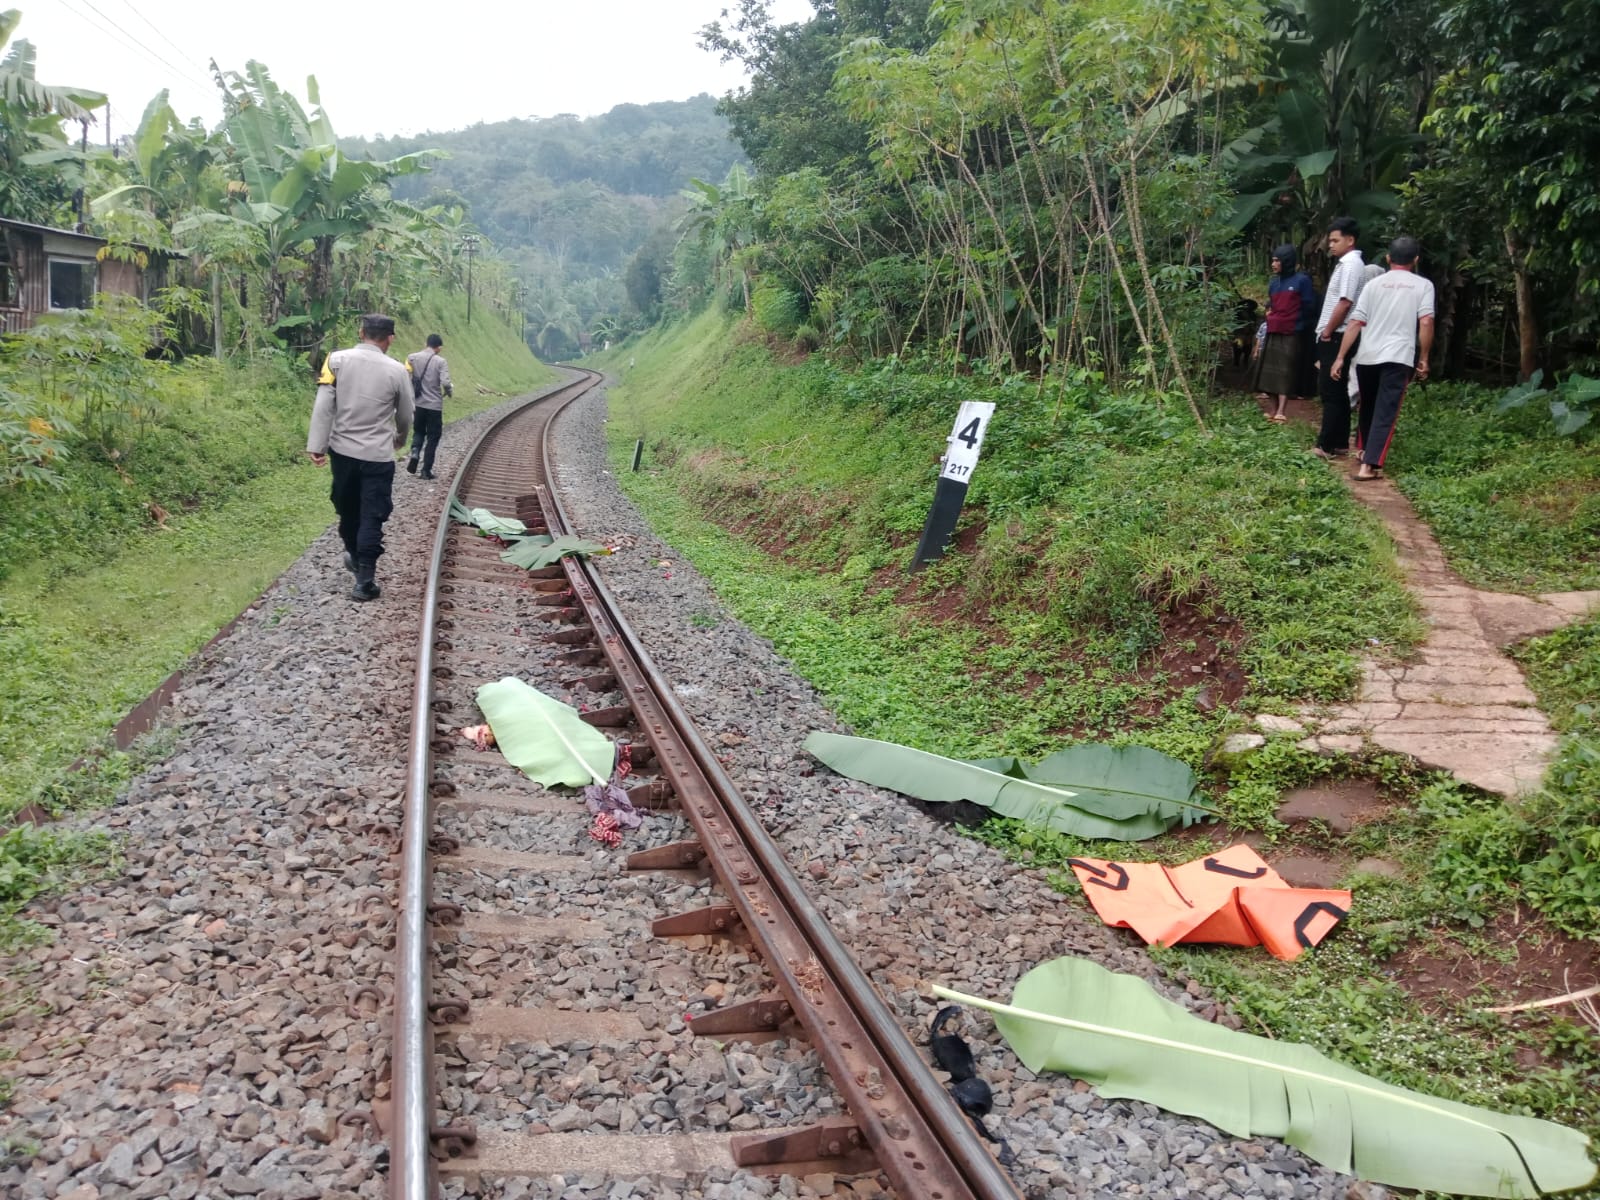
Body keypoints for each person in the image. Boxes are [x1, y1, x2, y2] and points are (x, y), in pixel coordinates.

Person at [307, 313, 414, 600]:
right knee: (372, 515)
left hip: (343, 453)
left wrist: (317, 445)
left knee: (348, 510)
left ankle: (355, 557)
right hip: (378, 456)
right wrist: (399, 440)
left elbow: (324, 405)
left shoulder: (336, 360)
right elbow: (406, 414)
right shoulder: (398, 371)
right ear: (390, 338)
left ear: (361, 332)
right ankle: (364, 580)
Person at [1331, 236, 1435, 481]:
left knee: (1368, 405)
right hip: (1398, 357)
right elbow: (1426, 321)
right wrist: (1424, 357)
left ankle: (1363, 450)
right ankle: (1368, 465)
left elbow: (1355, 322)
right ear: (1416, 260)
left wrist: (1340, 357)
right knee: (1386, 411)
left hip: (1367, 357)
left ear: (1388, 258)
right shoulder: (1423, 285)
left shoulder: (1373, 285)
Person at [1311, 218, 1368, 459]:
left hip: (1337, 334)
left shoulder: (1351, 265)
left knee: (1330, 390)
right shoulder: (1347, 264)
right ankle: (1340, 442)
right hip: (1338, 333)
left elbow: (1345, 302)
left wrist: (1327, 331)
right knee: (1339, 389)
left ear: (1350, 240)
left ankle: (1325, 445)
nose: (1330, 245)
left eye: (1335, 240)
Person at [1251, 244, 1318, 423]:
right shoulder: (1274, 283)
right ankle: (1272, 409)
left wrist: (1297, 322)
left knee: (1285, 370)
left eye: (1277, 261)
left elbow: (1309, 306)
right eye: (1272, 260)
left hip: (1291, 331)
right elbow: (1272, 305)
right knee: (1270, 371)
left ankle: (1282, 410)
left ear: (1286, 261)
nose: (1273, 264)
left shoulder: (1301, 281)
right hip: (1273, 329)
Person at [405, 333, 453, 480]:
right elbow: (446, 383)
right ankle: (426, 470)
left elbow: (406, 375)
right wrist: (449, 392)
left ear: (426, 344)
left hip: (418, 404)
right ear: (439, 347)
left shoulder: (412, 358)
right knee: (433, 436)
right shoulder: (441, 361)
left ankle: (415, 452)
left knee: (419, 431)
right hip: (434, 406)